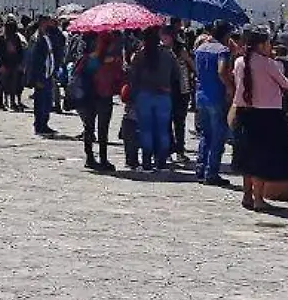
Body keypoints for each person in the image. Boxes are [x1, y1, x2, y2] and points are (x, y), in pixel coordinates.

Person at [231, 28, 288, 211]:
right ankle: (258, 198)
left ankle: (247, 195)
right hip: (267, 115)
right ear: (262, 44)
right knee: (261, 158)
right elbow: (285, 84)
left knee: (245, 156)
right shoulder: (269, 64)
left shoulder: (239, 62)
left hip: (244, 112)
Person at [127, 28, 180, 172]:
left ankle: (146, 162)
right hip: (164, 95)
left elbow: (132, 76)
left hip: (144, 96)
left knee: (145, 130)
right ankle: (161, 161)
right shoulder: (168, 54)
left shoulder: (139, 55)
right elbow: (177, 75)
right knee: (162, 130)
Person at [192, 23, 236, 187]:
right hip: (216, 95)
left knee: (205, 134)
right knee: (218, 136)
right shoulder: (222, 51)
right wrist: (230, 87)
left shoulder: (200, 48)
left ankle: (200, 168)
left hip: (201, 93)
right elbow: (221, 71)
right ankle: (212, 172)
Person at [79, 33, 122, 172]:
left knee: (89, 127)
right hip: (104, 94)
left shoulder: (89, 57)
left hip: (90, 95)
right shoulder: (111, 59)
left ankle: (89, 157)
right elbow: (117, 76)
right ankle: (102, 158)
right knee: (103, 129)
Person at [24, 14, 59, 136]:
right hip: (41, 76)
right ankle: (39, 125)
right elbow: (34, 60)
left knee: (47, 101)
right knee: (41, 101)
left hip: (48, 74)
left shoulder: (46, 36)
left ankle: (44, 123)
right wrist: (36, 78)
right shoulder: (36, 38)